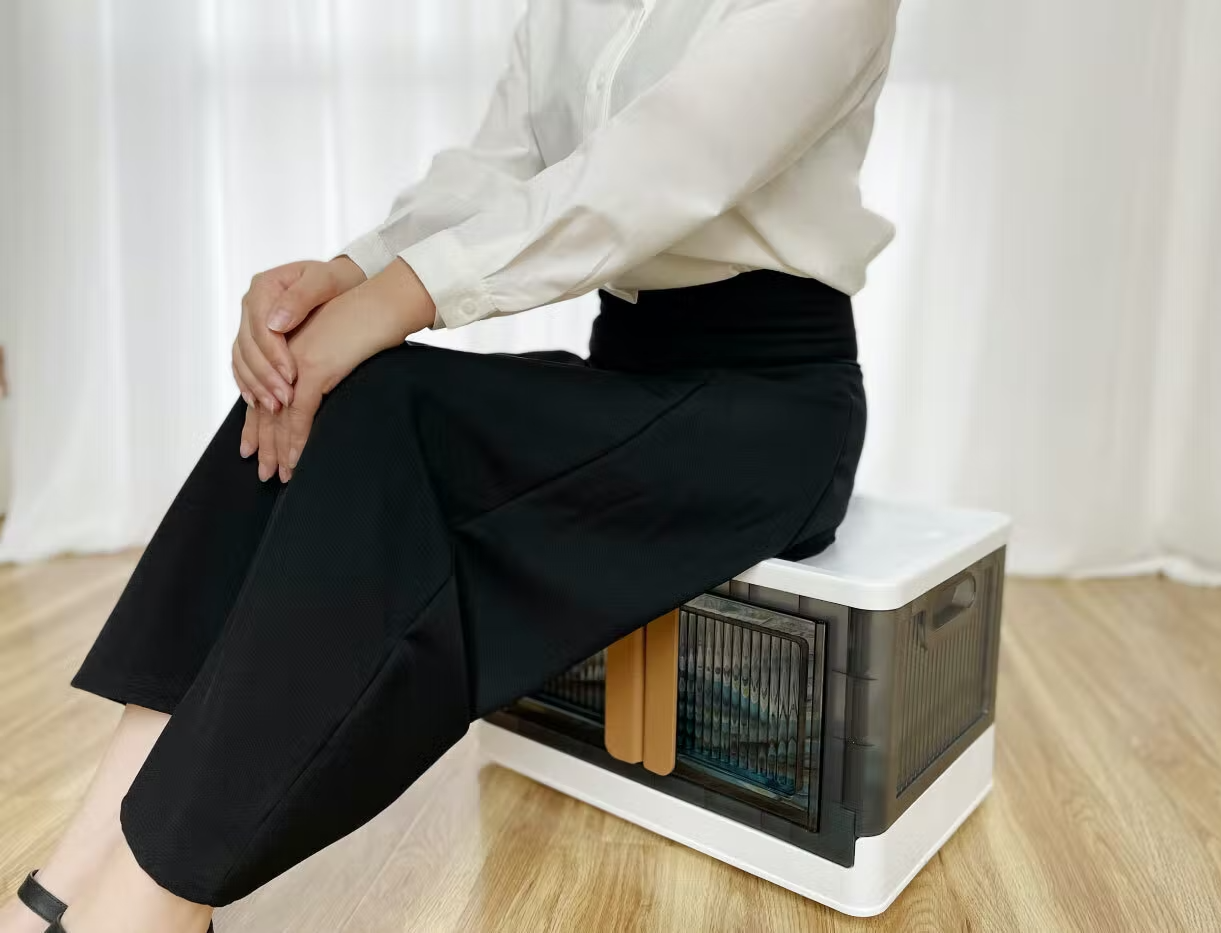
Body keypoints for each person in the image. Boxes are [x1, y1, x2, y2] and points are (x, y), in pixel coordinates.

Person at [1, 1, 900, 930]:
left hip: (770, 414)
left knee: (382, 403)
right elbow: (500, 166)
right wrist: (345, 279)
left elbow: (656, 167)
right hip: (633, 374)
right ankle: (67, 881)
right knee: (312, 389)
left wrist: (393, 302)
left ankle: (152, 900)